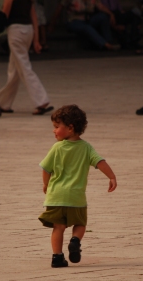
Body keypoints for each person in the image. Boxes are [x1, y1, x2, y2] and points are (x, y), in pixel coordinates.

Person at [38, 105, 117, 268]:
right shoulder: (86, 147)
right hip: (77, 197)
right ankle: (75, 240)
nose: (54, 131)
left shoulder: (57, 148)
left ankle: (57, 257)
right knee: (80, 223)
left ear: (70, 128)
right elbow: (100, 162)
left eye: (56, 127)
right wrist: (111, 176)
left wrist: (46, 184)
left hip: (56, 196)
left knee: (58, 227)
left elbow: (46, 168)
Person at [0, 0, 53, 115]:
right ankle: (3, 103)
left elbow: (4, 16)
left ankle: (41, 100)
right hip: (28, 31)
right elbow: (34, 18)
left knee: (24, 67)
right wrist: (36, 40)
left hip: (16, 31)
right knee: (14, 69)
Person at [49, 0, 120, 51]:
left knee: (102, 17)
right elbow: (60, 8)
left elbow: (100, 6)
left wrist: (111, 14)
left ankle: (109, 40)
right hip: (74, 21)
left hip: (87, 19)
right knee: (86, 28)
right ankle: (105, 45)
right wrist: (52, 24)